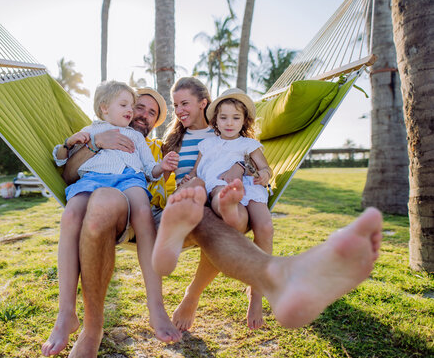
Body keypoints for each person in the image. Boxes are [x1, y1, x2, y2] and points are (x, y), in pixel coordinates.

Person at [53, 82, 383, 357]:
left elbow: (240, 149)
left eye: (151, 112)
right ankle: (91, 329)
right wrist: (97, 142)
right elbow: (68, 170)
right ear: (110, 108)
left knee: (208, 215)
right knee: (109, 206)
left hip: (181, 211)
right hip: (123, 202)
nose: (140, 114)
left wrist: (240, 168)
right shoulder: (109, 135)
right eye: (137, 106)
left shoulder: (161, 143)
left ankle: (277, 274)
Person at [41, 84, 181, 357]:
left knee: (143, 214)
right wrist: (73, 143)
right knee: (70, 215)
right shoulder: (91, 130)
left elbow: (149, 169)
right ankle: (66, 313)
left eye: (146, 111)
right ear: (104, 108)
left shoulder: (139, 139)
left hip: (129, 180)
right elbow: (61, 160)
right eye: (129, 105)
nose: (133, 111)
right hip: (91, 180)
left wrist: (161, 167)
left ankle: (156, 306)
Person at [172, 88, 274, 330]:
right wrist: (189, 179)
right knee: (220, 192)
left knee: (266, 228)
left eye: (236, 118)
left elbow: (266, 169)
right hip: (220, 184)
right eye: (224, 117)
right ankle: (229, 204)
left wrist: (263, 175)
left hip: (249, 188)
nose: (230, 123)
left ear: (245, 121)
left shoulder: (249, 144)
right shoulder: (207, 144)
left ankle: (256, 294)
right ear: (215, 120)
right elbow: (197, 171)